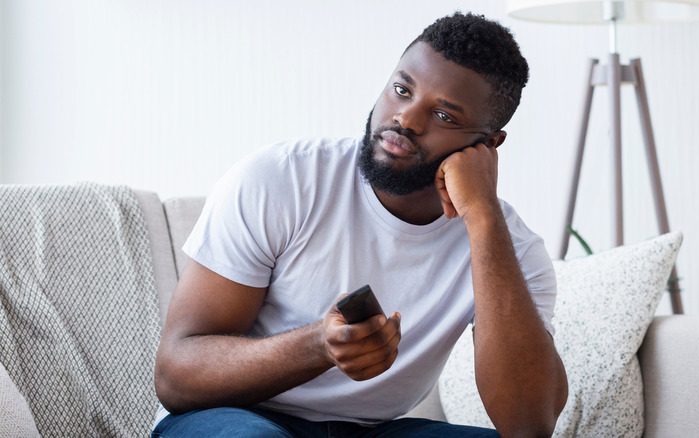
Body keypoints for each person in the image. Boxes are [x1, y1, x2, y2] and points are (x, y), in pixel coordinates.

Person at [153, 12, 568, 438]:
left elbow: (529, 425)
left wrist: (482, 218)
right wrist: (318, 345)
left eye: (444, 116)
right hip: (233, 417)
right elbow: (175, 377)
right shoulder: (283, 179)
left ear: (488, 145)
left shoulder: (510, 247)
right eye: (402, 89)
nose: (406, 119)